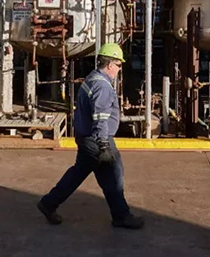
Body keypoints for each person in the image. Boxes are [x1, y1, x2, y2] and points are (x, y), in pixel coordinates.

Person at [37, 43, 144, 229]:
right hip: (97, 139)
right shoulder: (102, 86)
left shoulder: (92, 78)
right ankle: (121, 216)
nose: (120, 69)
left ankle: (49, 203)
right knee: (114, 176)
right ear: (110, 65)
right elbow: (101, 117)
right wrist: (103, 144)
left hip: (86, 137)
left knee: (79, 173)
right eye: (119, 65)